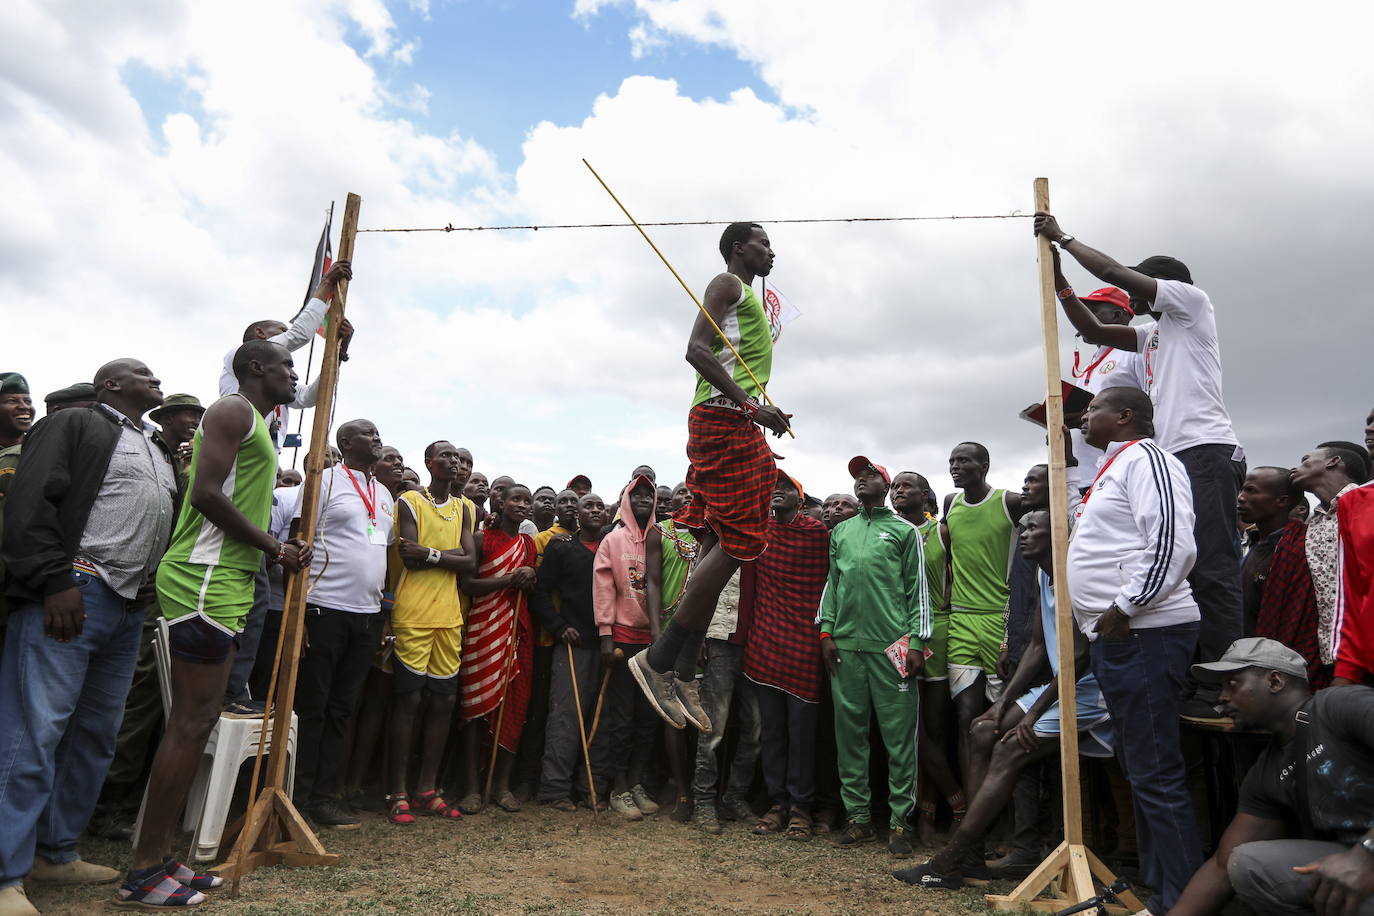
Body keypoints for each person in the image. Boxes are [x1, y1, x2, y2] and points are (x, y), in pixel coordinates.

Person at [123, 341, 310, 908]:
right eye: (286, 367)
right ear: (257, 369)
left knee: (199, 721)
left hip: (229, 578)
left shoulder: (257, 420)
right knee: (190, 722)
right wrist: (274, 547)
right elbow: (204, 495)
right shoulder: (230, 411)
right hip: (205, 574)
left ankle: (162, 857)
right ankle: (143, 870)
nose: (292, 377)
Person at [1036, 218, 1244, 717]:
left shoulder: (1193, 308)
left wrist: (1064, 238)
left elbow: (1111, 270)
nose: (1135, 300)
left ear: (1167, 286)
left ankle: (1226, 681)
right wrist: (1060, 280)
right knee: (1186, 569)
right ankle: (1198, 674)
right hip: (1175, 456)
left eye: (1141, 287)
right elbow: (1089, 329)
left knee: (1213, 569)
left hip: (1206, 448)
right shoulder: (1153, 335)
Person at [0, 360, 178, 916]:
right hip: (74, 590)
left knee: (96, 735)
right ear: (111, 384)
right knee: (35, 732)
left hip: (127, 604)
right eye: (143, 373)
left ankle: (56, 852)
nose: (158, 379)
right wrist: (54, 580)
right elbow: (31, 504)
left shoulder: (152, 442)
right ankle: (6, 873)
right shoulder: (75, 423)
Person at [893, 510, 1114, 890]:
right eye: (1023, 527)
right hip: (1062, 686)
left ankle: (948, 862)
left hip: (1094, 689)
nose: (1024, 535)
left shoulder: (1075, 572)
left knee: (1010, 749)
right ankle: (974, 859)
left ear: (1059, 534)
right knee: (982, 730)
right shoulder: (1044, 573)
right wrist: (1001, 706)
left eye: (1034, 529)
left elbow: (1079, 657)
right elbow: (1037, 646)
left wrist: (1032, 714)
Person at [628, 222, 791, 732]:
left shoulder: (751, 303)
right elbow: (696, 349)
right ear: (739, 248)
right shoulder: (728, 285)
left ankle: (679, 667)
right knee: (744, 539)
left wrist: (758, 408)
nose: (772, 250)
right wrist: (751, 406)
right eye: (763, 242)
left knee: (720, 536)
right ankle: (657, 661)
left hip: (730, 418)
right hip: (726, 419)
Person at [1069, 385, 1203, 915]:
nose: (1084, 415)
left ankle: (1181, 903)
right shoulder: (1112, 467)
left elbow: (1172, 540)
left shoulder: (1150, 459)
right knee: (1139, 764)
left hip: (1146, 631)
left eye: (1094, 407)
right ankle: (1158, 889)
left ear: (1125, 416)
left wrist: (1126, 607)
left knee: (1156, 769)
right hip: (1119, 636)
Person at [1169, 638, 1374, 916]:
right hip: (1351, 861)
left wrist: (1367, 852)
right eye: (1220, 687)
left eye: (1232, 683)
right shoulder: (1267, 772)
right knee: (1247, 863)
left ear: (1275, 682)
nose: (1221, 697)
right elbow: (1221, 866)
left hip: (1365, 855)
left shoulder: (1339, 707)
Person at [88, 394, 205, 841]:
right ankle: (108, 802)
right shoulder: (151, 451)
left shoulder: (189, 459)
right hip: (141, 584)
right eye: (186, 414)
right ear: (165, 419)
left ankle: (135, 797)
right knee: (138, 693)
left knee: (163, 696)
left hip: (173, 587)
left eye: (199, 416)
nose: (193, 421)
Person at [821, 457, 931, 858]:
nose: (861, 481)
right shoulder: (842, 532)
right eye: (856, 476)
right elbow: (832, 584)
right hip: (847, 646)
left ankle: (901, 823)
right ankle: (858, 819)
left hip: (892, 648)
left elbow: (918, 589)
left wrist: (917, 642)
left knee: (898, 738)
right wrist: (826, 631)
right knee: (850, 735)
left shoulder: (904, 530)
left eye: (869, 475)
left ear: (885, 485)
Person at [290, 420, 395, 830]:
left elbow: (381, 557)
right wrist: (299, 613)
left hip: (367, 616)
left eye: (378, 432)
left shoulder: (384, 493)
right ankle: (297, 795)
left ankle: (324, 798)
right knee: (313, 707)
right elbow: (299, 540)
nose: (377, 437)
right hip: (323, 608)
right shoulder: (324, 481)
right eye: (369, 433)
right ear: (345, 442)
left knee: (342, 709)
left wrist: (384, 616)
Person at [384, 441, 475, 825]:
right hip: (412, 613)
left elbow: (469, 563)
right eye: (446, 456)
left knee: (442, 702)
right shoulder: (410, 501)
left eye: (458, 458)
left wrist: (433, 555)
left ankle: (428, 788)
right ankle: (398, 791)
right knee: (408, 701)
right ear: (429, 463)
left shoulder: (465, 508)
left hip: (449, 617)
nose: (453, 462)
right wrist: (443, 558)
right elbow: (409, 556)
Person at [741, 472, 829, 841]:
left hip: (805, 643)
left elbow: (830, 584)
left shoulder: (817, 534)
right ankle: (777, 804)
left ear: (800, 496)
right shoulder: (759, 532)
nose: (777, 492)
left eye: (786, 488)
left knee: (803, 733)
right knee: (772, 732)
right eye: (772, 487)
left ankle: (801, 808)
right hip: (765, 642)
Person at [890, 470, 966, 844]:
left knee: (934, 729)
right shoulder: (889, 533)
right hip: (894, 636)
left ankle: (935, 815)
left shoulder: (942, 531)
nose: (898, 491)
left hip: (937, 629)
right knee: (908, 728)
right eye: (894, 487)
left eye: (906, 485)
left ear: (925, 495)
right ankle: (933, 811)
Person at [943, 442, 1024, 776]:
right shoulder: (951, 503)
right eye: (952, 461)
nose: (955, 466)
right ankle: (973, 807)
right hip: (961, 618)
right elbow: (949, 558)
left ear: (984, 465)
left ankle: (1004, 810)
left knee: (1000, 718)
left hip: (1000, 619)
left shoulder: (1009, 502)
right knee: (965, 717)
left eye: (964, 461)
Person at [457, 484, 538, 813]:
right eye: (515, 499)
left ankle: (502, 786)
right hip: (483, 628)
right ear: (500, 502)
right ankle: (473, 789)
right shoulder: (481, 540)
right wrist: (508, 580)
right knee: (476, 708)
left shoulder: (528, 544)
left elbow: (533, 585)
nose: (521, 504)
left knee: (515, 707)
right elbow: (467, 584)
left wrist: (531, 573)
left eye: (526, 500)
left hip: (518, 632)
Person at [591, 476, 663, 820]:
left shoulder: (661, 539)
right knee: (621, 718)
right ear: (626, 501)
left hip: (653, 641)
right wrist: (605, 635)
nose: (645, 499)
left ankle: (636, 782)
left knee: (647, 718)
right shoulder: (613, 539)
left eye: (650, 494)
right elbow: (604, 588)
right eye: (639, 495)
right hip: (622, 639)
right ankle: (618, 787)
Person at [533, 493, 606, 810]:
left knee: (599, 719)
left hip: (607, 644)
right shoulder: (561, 546)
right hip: (573, 643)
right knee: (565, 717)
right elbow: (540, 591)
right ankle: (554, 789)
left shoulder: (612, 548)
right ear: (576, 513)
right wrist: (558, 626)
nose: (594, 510)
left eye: (599, 506)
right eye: (587, 505)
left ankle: (589, 787)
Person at [1062, 287, 1147, 494]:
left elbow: (1147, 405)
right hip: (1084, 471)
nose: (1081, 317)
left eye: (1092, 311)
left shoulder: (1133, 352)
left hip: (1118, 468)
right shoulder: (1095, 360)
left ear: (1118, 315)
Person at [1292, 445, 1364, 686]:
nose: (1295, 468)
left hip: (1364, 650)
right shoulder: (1315, 520)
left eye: (1305, 459)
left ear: (1333, 461)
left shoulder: (1366, 504)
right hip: (1331, 653)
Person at [1238, 467, 1301, 636]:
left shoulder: (1294, 550)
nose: (1241, 497)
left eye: (1251, 491)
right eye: (1242, 489)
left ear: (1282, 501)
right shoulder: (1253, 542)